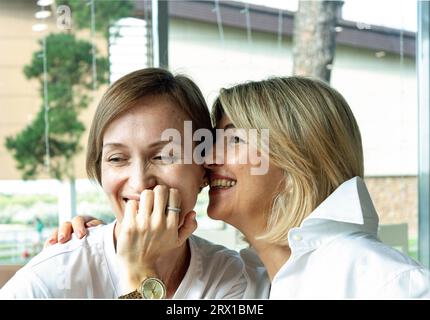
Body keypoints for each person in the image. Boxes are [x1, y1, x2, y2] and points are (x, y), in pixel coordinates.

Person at [58, 76, 430, 299]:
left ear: (295, 157)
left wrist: (140, 278)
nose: (205, 157)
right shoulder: (247, 281)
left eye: (230, 139)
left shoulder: (386, 282)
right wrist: (110, 238)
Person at [0, 68, 268, 299]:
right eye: (117, 158)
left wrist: (141, 271)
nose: (140, 183)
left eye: (164, 156)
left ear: (204, 168)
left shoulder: (232, 280)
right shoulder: (51, 276)